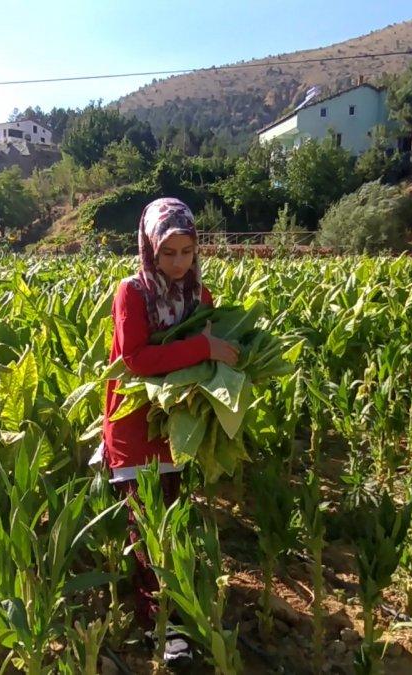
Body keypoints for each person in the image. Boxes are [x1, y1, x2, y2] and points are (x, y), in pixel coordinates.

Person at [99, 197, 239, 666]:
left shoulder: (198, 295)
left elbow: (212, 348)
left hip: (175, 426)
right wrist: (203, 348)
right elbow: (136, 358)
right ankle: (160, 628)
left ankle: (173, 612)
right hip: (135, 424)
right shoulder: (132, 293)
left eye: (187, 251)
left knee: (172, 521)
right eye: (169, 253)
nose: (179, 263)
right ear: (149, 249)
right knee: (146, 528)